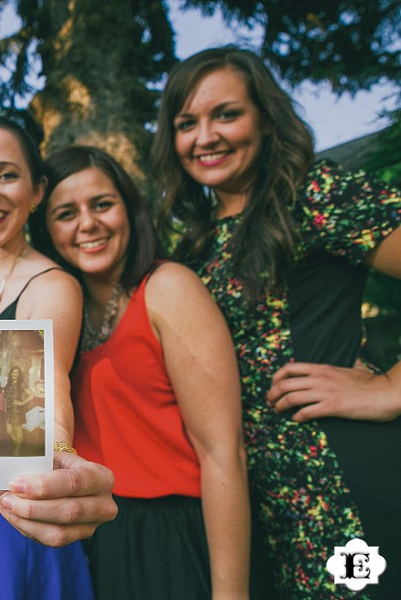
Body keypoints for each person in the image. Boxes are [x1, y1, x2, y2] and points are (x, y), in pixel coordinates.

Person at [151, 45, 401, 598]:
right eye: (186, 122)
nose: (205, 136)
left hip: (339, 493)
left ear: (265, 119)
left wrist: (389, 388)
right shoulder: (190, 242)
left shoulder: (311, 195)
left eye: (226, 114)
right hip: (253, 510)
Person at [28, 145, 250, 598]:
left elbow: (223, 452)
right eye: (66, 213)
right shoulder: (60, 309)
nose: (87, 224)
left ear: (130, 209)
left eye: (102, 204)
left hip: (178, 532)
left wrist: (231, 594)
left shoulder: (167, 288)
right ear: (48, 230)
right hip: (98, 536)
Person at [0, 115, 107, 599]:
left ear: (36, 190)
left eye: (6, 174)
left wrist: (60, 454)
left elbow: (47, 382)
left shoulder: (51, 286)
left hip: (18, 501)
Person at [3, 365, 33, 456]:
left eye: (16, 372)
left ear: (19, 374)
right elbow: (5, 398)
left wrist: (22, 403)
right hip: (9, 411)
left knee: (18, 431)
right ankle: (18, 446)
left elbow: (32, 395)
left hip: (17, 411)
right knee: (9, 431)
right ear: (10, 373)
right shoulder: (8, 384)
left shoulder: (22, 384)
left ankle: (18, 450)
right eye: (13, 372)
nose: (14, 374)